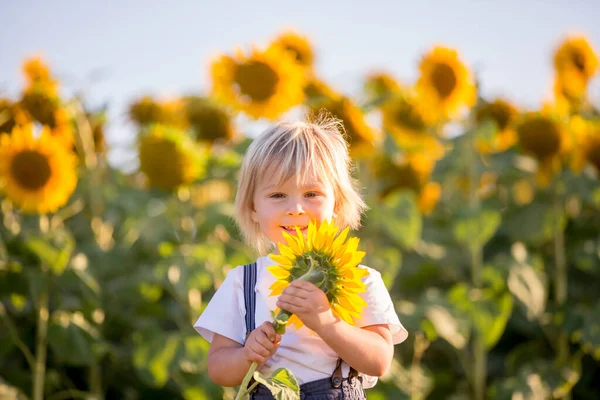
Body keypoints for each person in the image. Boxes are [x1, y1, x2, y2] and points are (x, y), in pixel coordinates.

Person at [194, 115, 408, 399]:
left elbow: (379, 360)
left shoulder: (359, 276)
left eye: (311, 193)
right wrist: (247, 354)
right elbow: (218, 368)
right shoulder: (243, 282)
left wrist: (326, 322)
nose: (295, 208)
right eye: (278, 195)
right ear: (253, 207)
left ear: (337, 204)